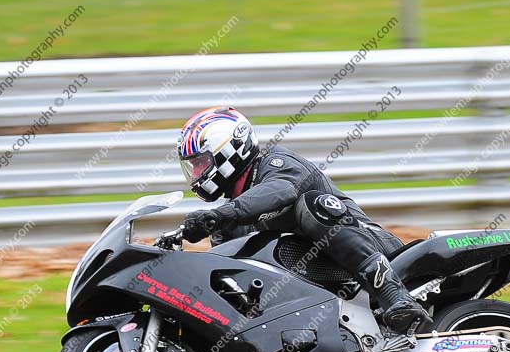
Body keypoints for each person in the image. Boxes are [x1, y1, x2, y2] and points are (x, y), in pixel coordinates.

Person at [177, 107, 432, 335]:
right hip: (323, 286)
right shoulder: (230, 223)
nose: (197, 174)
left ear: (231, 149)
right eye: (193, 167)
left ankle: (395, 296)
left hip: (377, 248)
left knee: (313, 205)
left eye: (201, 163)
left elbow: (281, 191)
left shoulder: (277, 164)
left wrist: (220, 216)